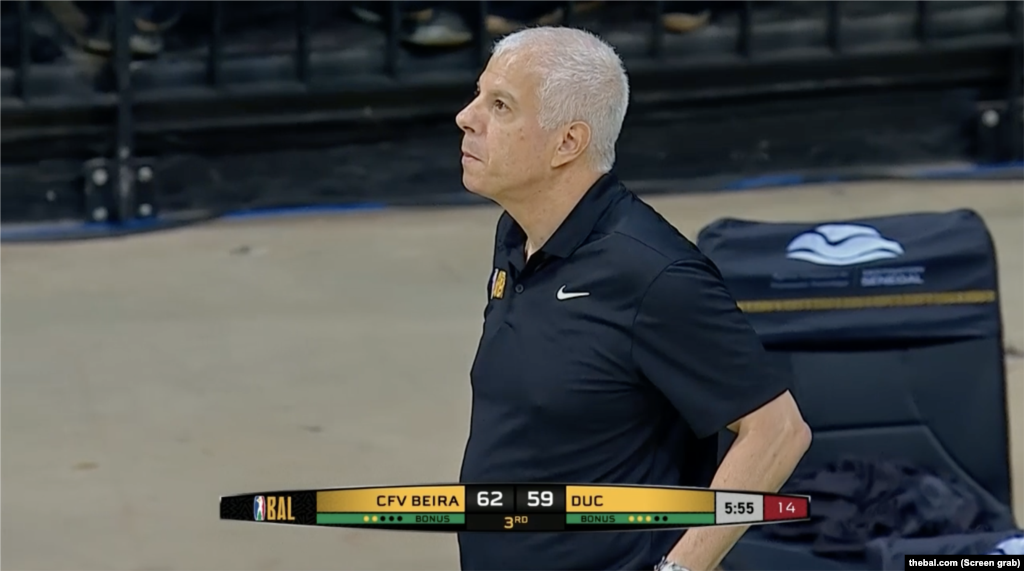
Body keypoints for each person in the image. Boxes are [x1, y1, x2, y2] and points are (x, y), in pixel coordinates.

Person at [455, 26, 812, 571]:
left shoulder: (654, 274)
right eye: (480, 94)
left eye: (500, 105)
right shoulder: (517, 237)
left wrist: (678, 568)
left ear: (567, 143)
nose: (467, 116)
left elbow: (779, 432)